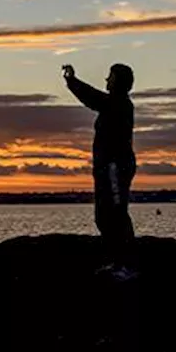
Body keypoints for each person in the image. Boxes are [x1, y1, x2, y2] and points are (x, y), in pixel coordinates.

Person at [62, 63, 137, 278]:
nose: (106, 81)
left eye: (110, 77)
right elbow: (95, 99)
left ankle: (126, 265)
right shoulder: (115, 103)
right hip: (107, 168)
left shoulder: (119, 104)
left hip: (115, 168)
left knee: (115, 214)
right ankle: (117, 261)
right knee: (104, 215)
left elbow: (93, 98)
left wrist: (72, 81)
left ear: (120, 82)